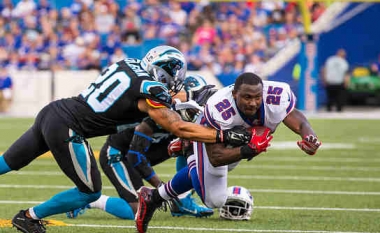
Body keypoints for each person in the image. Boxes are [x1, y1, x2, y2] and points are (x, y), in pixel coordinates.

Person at [0, 45, 251, 233]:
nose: (175, 82)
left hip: (53, 112)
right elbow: (179, 127)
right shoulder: (150, 89)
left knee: (7, 163)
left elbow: (139, 96)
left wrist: (176, 103)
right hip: (68, 127)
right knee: (89, 192)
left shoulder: (129, 63)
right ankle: (29, 217)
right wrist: (222, 134)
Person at [135, 72, 322, 233]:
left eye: (257, 97)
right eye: (247, 97)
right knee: (214, 200)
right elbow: (217, 158)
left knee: (214, 166)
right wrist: (249, 149)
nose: (253, 102)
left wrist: (310, 137)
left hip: (237, 139)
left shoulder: (276, 95)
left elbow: (298, 120)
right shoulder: (220, 107)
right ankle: (192, 145)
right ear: (234, 95)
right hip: (214, 136)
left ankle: (152, 197)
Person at [66, 75, 217, 220]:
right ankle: (90, 201)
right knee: (136, 209)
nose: (197, 109)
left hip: (141, 153)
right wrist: (161, 189)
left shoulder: (183, 115)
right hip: (119, 155)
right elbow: (135, 156)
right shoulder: (158, 111)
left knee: (192, 142)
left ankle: (183, 200)